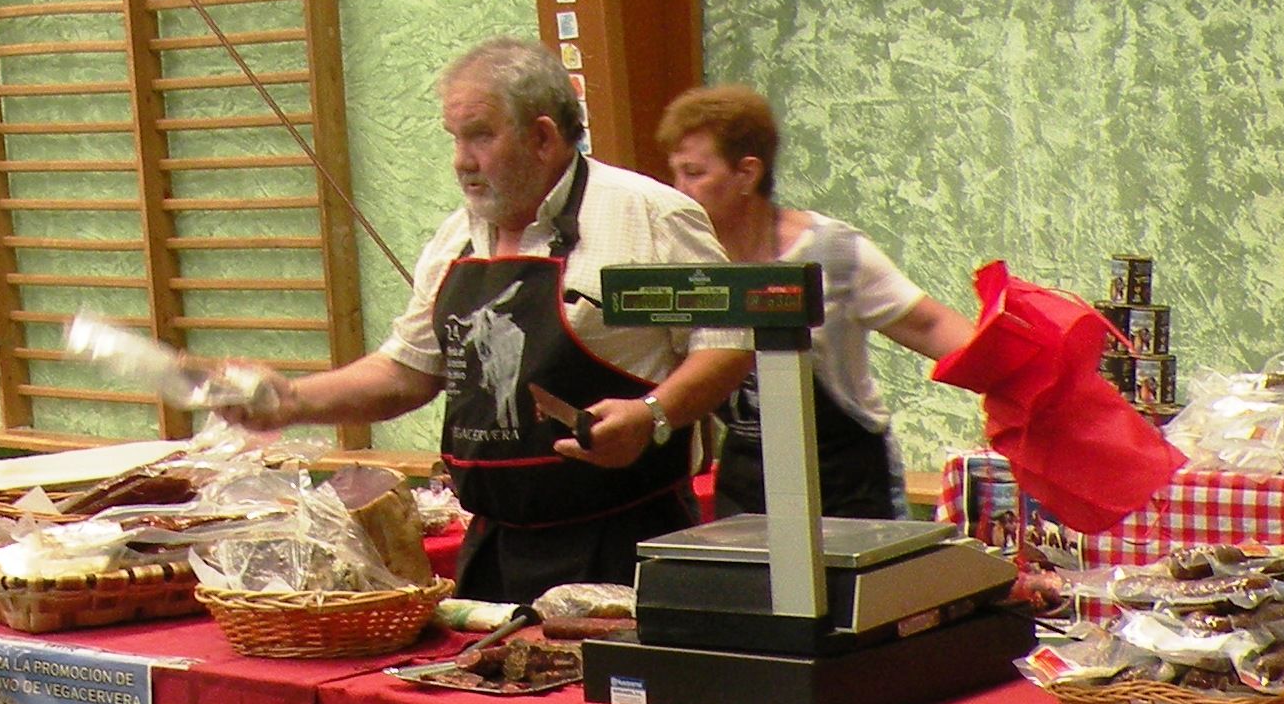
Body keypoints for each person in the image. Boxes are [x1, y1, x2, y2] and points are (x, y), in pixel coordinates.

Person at [234, 36, 751, 600]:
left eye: (480, 135)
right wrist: (294, 400)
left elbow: (726, 342)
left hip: (624, 541)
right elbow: (407, 372)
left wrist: (653, 414)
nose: (462, 160)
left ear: (543, 137)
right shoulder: (457, 237)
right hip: (492, 551)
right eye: (455, 138)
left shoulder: (650, 216)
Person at [657, 84, 972, 521]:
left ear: (746, 173)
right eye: (675, 174)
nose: (678, 190)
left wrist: (1027, 373)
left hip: (847, 482)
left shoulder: (830, 251)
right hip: (747, 478)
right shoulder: (683, 259)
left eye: (694, 174)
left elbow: (930, 326)